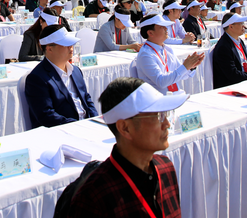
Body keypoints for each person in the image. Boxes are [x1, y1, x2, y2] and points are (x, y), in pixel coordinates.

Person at [67, 77, 185, 218]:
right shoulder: (95, 195)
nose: (167, 124)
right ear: (125, 128)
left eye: (165, 114)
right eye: (158, 116)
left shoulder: (166, 167)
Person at [24, 25, 98, 128]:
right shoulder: (37, 78)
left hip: (86, 126)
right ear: (49, 49)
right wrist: (79, 126)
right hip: (62, 132)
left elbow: (87, 99)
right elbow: (46, 116)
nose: (71, 47)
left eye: (71, 43)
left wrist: (95, 120)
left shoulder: (75, 71)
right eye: (65, 44)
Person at [135, 14, 204, 95]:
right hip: (157, 100)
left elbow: (183, 75)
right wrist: (185, 66)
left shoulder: (167, 49)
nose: (166, 29)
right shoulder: (145, 55)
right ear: (150, 33)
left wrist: (191, 66)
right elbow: (161, 82)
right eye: (162, 27)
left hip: (173, 95)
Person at [212, 13, 247, 88]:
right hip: (232, 87)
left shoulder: (239, 41)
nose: (244, 26)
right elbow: (232, 74)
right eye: (241, 23)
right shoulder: (223, 47)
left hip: (243, 80)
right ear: (231, 26)